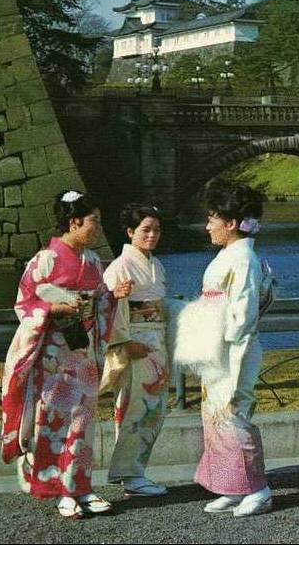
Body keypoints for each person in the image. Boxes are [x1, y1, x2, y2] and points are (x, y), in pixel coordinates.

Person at [0, 191, 133, 519]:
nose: (98, 228)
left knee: (84, 421)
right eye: (94, 222)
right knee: (54, 420)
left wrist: (111, 297)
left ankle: (82, 486)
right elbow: (24, 303)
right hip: (54, 354)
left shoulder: (91, 261)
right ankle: (60, 489)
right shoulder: (44, 260)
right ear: (74, 222)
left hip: (82, 351)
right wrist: (53, 308)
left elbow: (99, 300)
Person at [187, 179, 274, 517]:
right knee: (216, 416)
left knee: (235, 414)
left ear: (232, 223)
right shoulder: (232, 255)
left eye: (212, 219)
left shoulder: (242, 260)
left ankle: (258, 488)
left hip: (233, 347)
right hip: (218, 345)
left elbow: (243, 313)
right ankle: (231, 486)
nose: (207, 226)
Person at [100, 203, 171, 498]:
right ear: (130, 232)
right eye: (145, 230)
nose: (152, 235)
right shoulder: (120, 266)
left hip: (156, 343)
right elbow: (111, 306)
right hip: (135, 345)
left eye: (156, 230)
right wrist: (125, 343)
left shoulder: (157, 265)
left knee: (153, 409)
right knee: (132, 408)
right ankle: (130, 474)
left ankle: (134, 471)